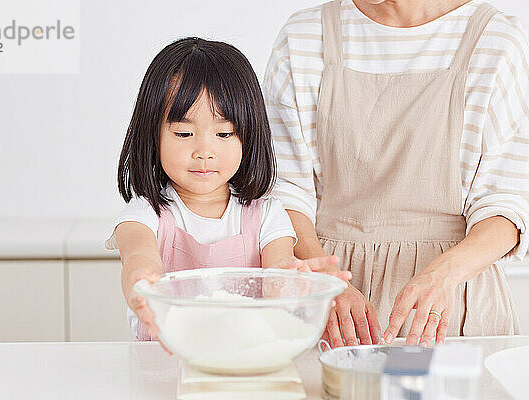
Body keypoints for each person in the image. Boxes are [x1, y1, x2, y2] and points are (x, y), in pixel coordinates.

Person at [264, 0, 529, 348]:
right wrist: (326, 282)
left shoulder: (494, 39)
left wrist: (444, 274)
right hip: (332, 305)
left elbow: (506, 205)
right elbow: (284, 192)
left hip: (450, 305)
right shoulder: (304, 36)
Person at [105, 37, 350, 342]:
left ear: (248, 136)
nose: (204, 151)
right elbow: (139, 258)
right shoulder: (144, 215)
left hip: (248, 364)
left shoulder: (267, 215)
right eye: (184, 133)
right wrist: (142, 283)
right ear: (152, 134)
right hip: (165, 365)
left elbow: (276, 277)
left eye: (223, 133)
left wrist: (293, 281)